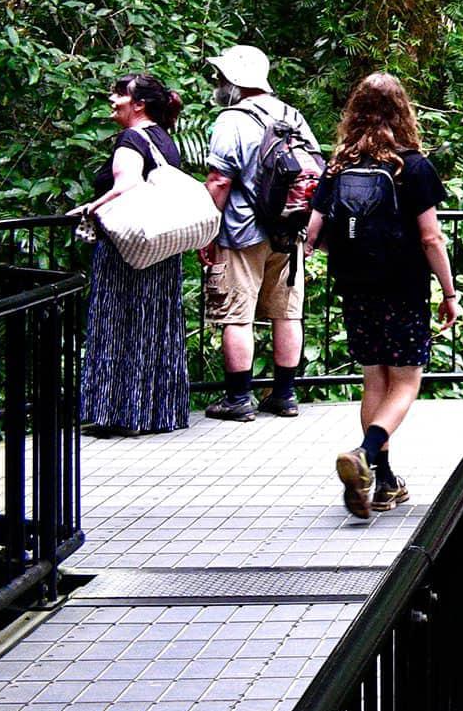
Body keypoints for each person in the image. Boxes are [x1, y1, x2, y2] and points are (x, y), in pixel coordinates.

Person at [306, 74, 459, 519]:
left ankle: (383, 481)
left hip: (357, 287)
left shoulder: (337, 167)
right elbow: (431, 238)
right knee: (407, 380)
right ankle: (365, 454)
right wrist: (449, 292)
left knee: (375, 378)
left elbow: (314, 234)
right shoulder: (412, 166)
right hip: (403, 286)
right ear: (403, 112)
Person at [72, 73, 195, 434]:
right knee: (155, 326)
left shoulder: (132, 137)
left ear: (138, 104)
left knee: (118, 323)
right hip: (160, 248)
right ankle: (156, 412)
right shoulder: (164, 139)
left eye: (119, 94)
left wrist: (91, 208)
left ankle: (118, 415)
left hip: (128, 249)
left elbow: (128, 183)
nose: (112, 99)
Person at [200, 45, 317, 422]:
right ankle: (284, 394)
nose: (218, 84)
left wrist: (207, 231)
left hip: (241, 231)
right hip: (289, 229)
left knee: (237, 315)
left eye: (221, 78)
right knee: (287, 313)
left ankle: (238, 398)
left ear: (233, 81)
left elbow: (220, 179)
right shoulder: (291, 114)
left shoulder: (231, 119)